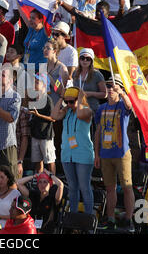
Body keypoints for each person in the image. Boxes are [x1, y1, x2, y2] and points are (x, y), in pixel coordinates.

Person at [94, 74, 135, 232]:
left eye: (114, 86)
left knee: (127, 187)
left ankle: (129, 219)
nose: (111, 89)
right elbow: (98, 132)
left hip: (121, 153)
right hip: (105, 154)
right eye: (109, 86)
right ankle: (110, 219)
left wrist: (123, 93)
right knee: (110, 188)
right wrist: (97, 154)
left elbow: (130, 106)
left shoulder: (122, 106)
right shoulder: (101, 108)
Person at [51, 87, 95, 215]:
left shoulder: (87, 111)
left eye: (71, 101)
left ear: (79, 99)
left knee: (84, 187)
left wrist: (81, 98)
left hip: (83, 155)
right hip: (67, 154)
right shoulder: (67, 111)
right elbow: (54, 116)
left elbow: (80, 115)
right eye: (67, 101)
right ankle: (73, 216)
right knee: (73, 188)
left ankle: (88, 218)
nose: (69, 104)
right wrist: (61, 98)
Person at [17, 169, 64, 234]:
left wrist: (49, 174)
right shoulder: (34, 195)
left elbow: (61, 185)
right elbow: (18, 183)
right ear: (37, 185)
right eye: (40, 182)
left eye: (45, 182)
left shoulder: (53, 198)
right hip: (32, 230)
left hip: (47, 231)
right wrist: (35, 176)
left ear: (50, 184)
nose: (42, 185)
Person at [27, 73, 56, 174]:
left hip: (45, 135)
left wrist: (38, 115)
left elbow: (53, 118)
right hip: (35, 134)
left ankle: (53, 183)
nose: (34, 84)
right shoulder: (34, 99)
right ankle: (40, 180)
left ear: (44, 84)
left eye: (37, 82)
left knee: (50, 161)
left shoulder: (48, 100)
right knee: (38, 161)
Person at [72, 48, 107, 116]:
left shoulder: (97, 74)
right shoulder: (75, 73)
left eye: (88, 59)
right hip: (77, 109)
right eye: (82, 58)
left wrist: (90, 93)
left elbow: (105, 94)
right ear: (79, 60)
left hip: (92, 109)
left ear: (91, 61)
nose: (85, 60)